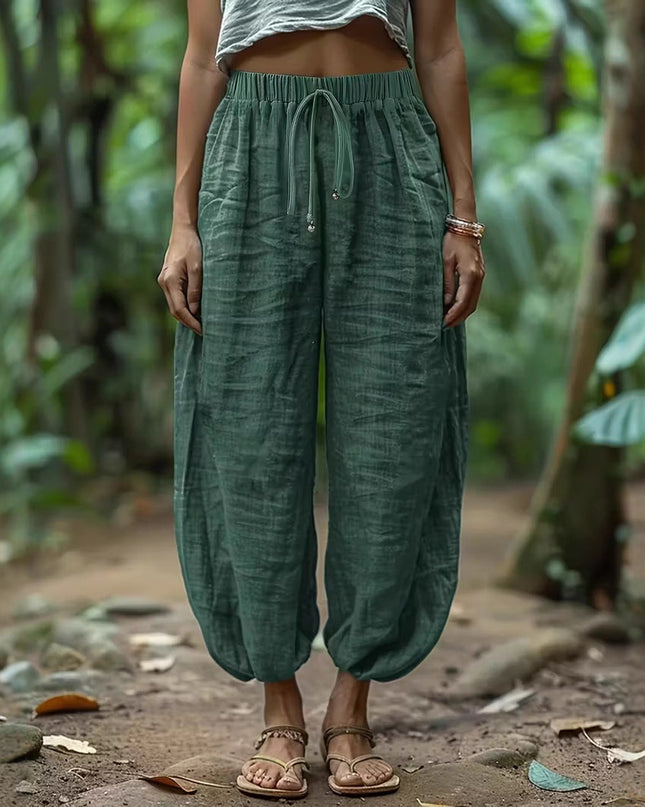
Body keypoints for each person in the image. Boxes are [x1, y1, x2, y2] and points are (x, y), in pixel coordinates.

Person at [158, 0, 485, 799]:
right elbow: (204, 56)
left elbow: (438, 48)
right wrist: (180, 221)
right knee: (247, 422)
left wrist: (464, 218)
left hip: (389, 145)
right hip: (250, 152)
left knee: (394, 421)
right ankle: (277, 704)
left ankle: (350, 702)